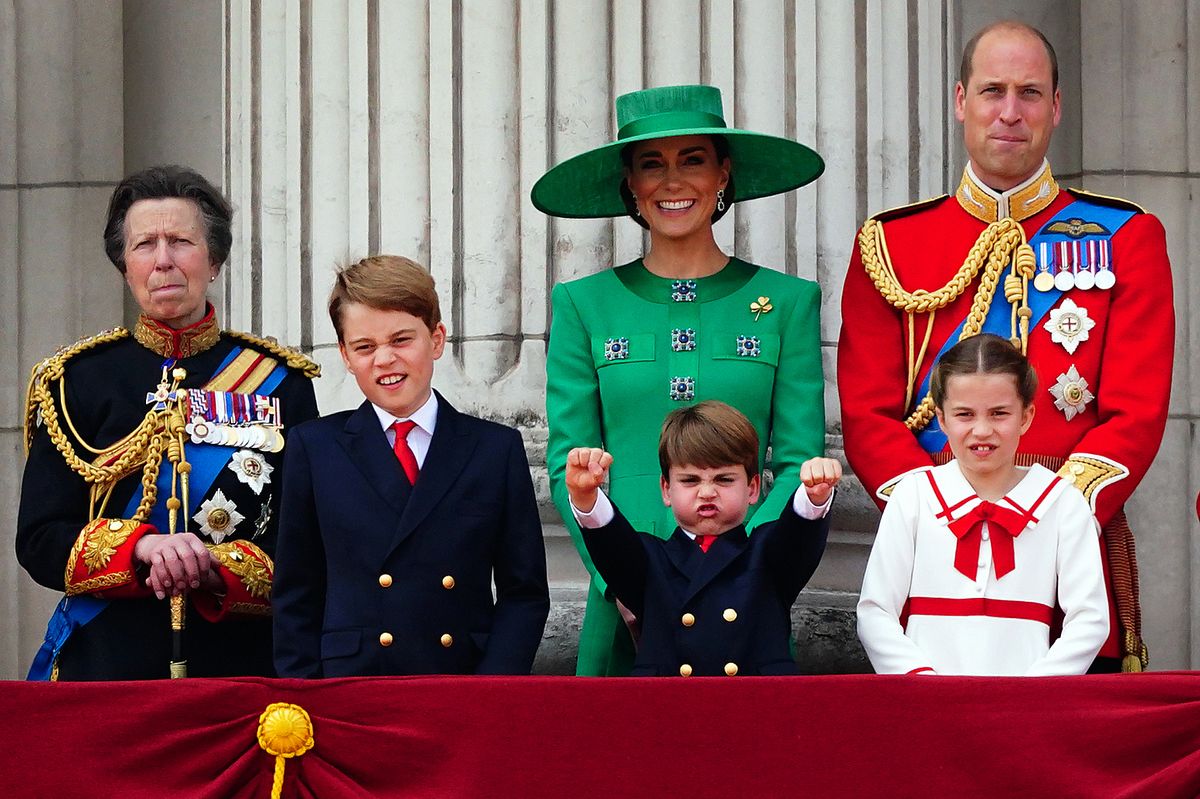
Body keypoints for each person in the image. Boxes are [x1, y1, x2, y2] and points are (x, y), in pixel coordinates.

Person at [838, 21, 1173, 671]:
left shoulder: (1127, 236)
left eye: (1029, 92)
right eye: (993, 91)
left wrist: (1046, 519)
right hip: (932, 568)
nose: (1010, 112)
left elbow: (1135, 415)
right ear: (961, 100)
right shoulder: (890, 245)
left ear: (1056, 107)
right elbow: (867, 414)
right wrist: (941, 517)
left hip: (1067, 565)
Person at [533, 84, 828, 676]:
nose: (673, 182)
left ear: (724, 174)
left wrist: (751, 571)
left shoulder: (788, 302)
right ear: (630, 184)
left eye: (692, 159)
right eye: (652, 164)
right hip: (623, 601)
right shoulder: (582, 304)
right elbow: (570, 458)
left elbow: (799, 459)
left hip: (745, 608)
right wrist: (618, 578)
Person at [17, 165, 320, 680]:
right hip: (108, 665)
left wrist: (215, 567)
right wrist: (141, 548)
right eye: (145, 245)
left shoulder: (281, 380)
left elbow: (307, 540)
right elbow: (40, 539)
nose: (163, 261)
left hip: (240, 669)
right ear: (124, 265)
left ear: (215, 260)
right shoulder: (73, 381)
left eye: (181, 241)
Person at [272, 255, 549, 677]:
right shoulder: (315, 447)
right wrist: (306, 697)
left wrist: (493, 689)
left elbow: (524, 592)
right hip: (351, 686)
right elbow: (297, 591)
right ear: (346, 356)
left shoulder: (494, 449)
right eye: (364, 347)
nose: (384, 359)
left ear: (436, 339)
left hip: (461, 680)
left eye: (401, 339)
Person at [856, 334, 1109, 675]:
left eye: (999, 413)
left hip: (1025, 707)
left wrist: (1034, 690)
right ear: (942, 419)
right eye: (964, 414)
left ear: (1026, 416)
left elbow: (1090, 620)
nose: (982, 430)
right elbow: (875, 611)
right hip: (926, 702)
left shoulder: (1063, 502)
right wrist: (919, 680)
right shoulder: (914, 495)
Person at [565, 401, 839, 677]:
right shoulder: (650, 560)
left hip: (756, 710)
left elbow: (797, 535)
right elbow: (612, 543)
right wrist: (585, 496)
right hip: (670, 710)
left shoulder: (766, 553)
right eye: (690, 480)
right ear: (666, 490)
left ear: (753, 488)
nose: (707, 492)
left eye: (724, 479)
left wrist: (814, 495)